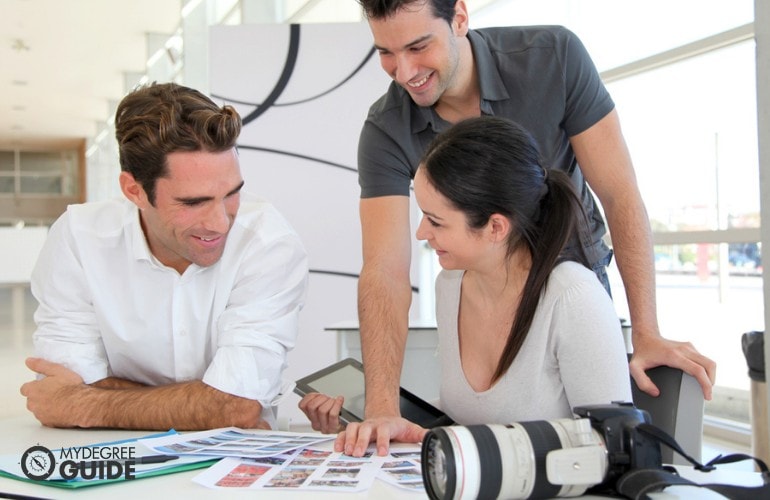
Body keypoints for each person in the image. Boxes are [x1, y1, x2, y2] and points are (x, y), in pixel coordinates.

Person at [347, 0, 715, 455]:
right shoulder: (386, 128)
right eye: (385, 52)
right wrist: (382, 406)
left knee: (589, 433)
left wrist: (646, 329)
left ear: (460, 18)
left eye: (418, 46)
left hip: (572, 273)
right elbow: (384, 268)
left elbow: (619, 194)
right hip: (483, 287)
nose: (404, 72)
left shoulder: (553, 57)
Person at [302, 116, 633, 449]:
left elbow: (612, 446)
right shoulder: (451, 285)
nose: (420, 233)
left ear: (495, 228)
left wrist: (477, 456)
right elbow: (472, 419)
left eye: (435, 221)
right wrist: (388, 426)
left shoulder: (574, 297)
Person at [20, 82, 308, 431]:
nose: (220, 222)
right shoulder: (79, 238)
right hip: (105, 459)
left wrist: (86, 406)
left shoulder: (268, 243)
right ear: (134, 190)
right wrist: (206, 403)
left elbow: (237, 407)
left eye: (232, 194)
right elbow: (64, 381)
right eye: (193, 202)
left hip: (232, 468)